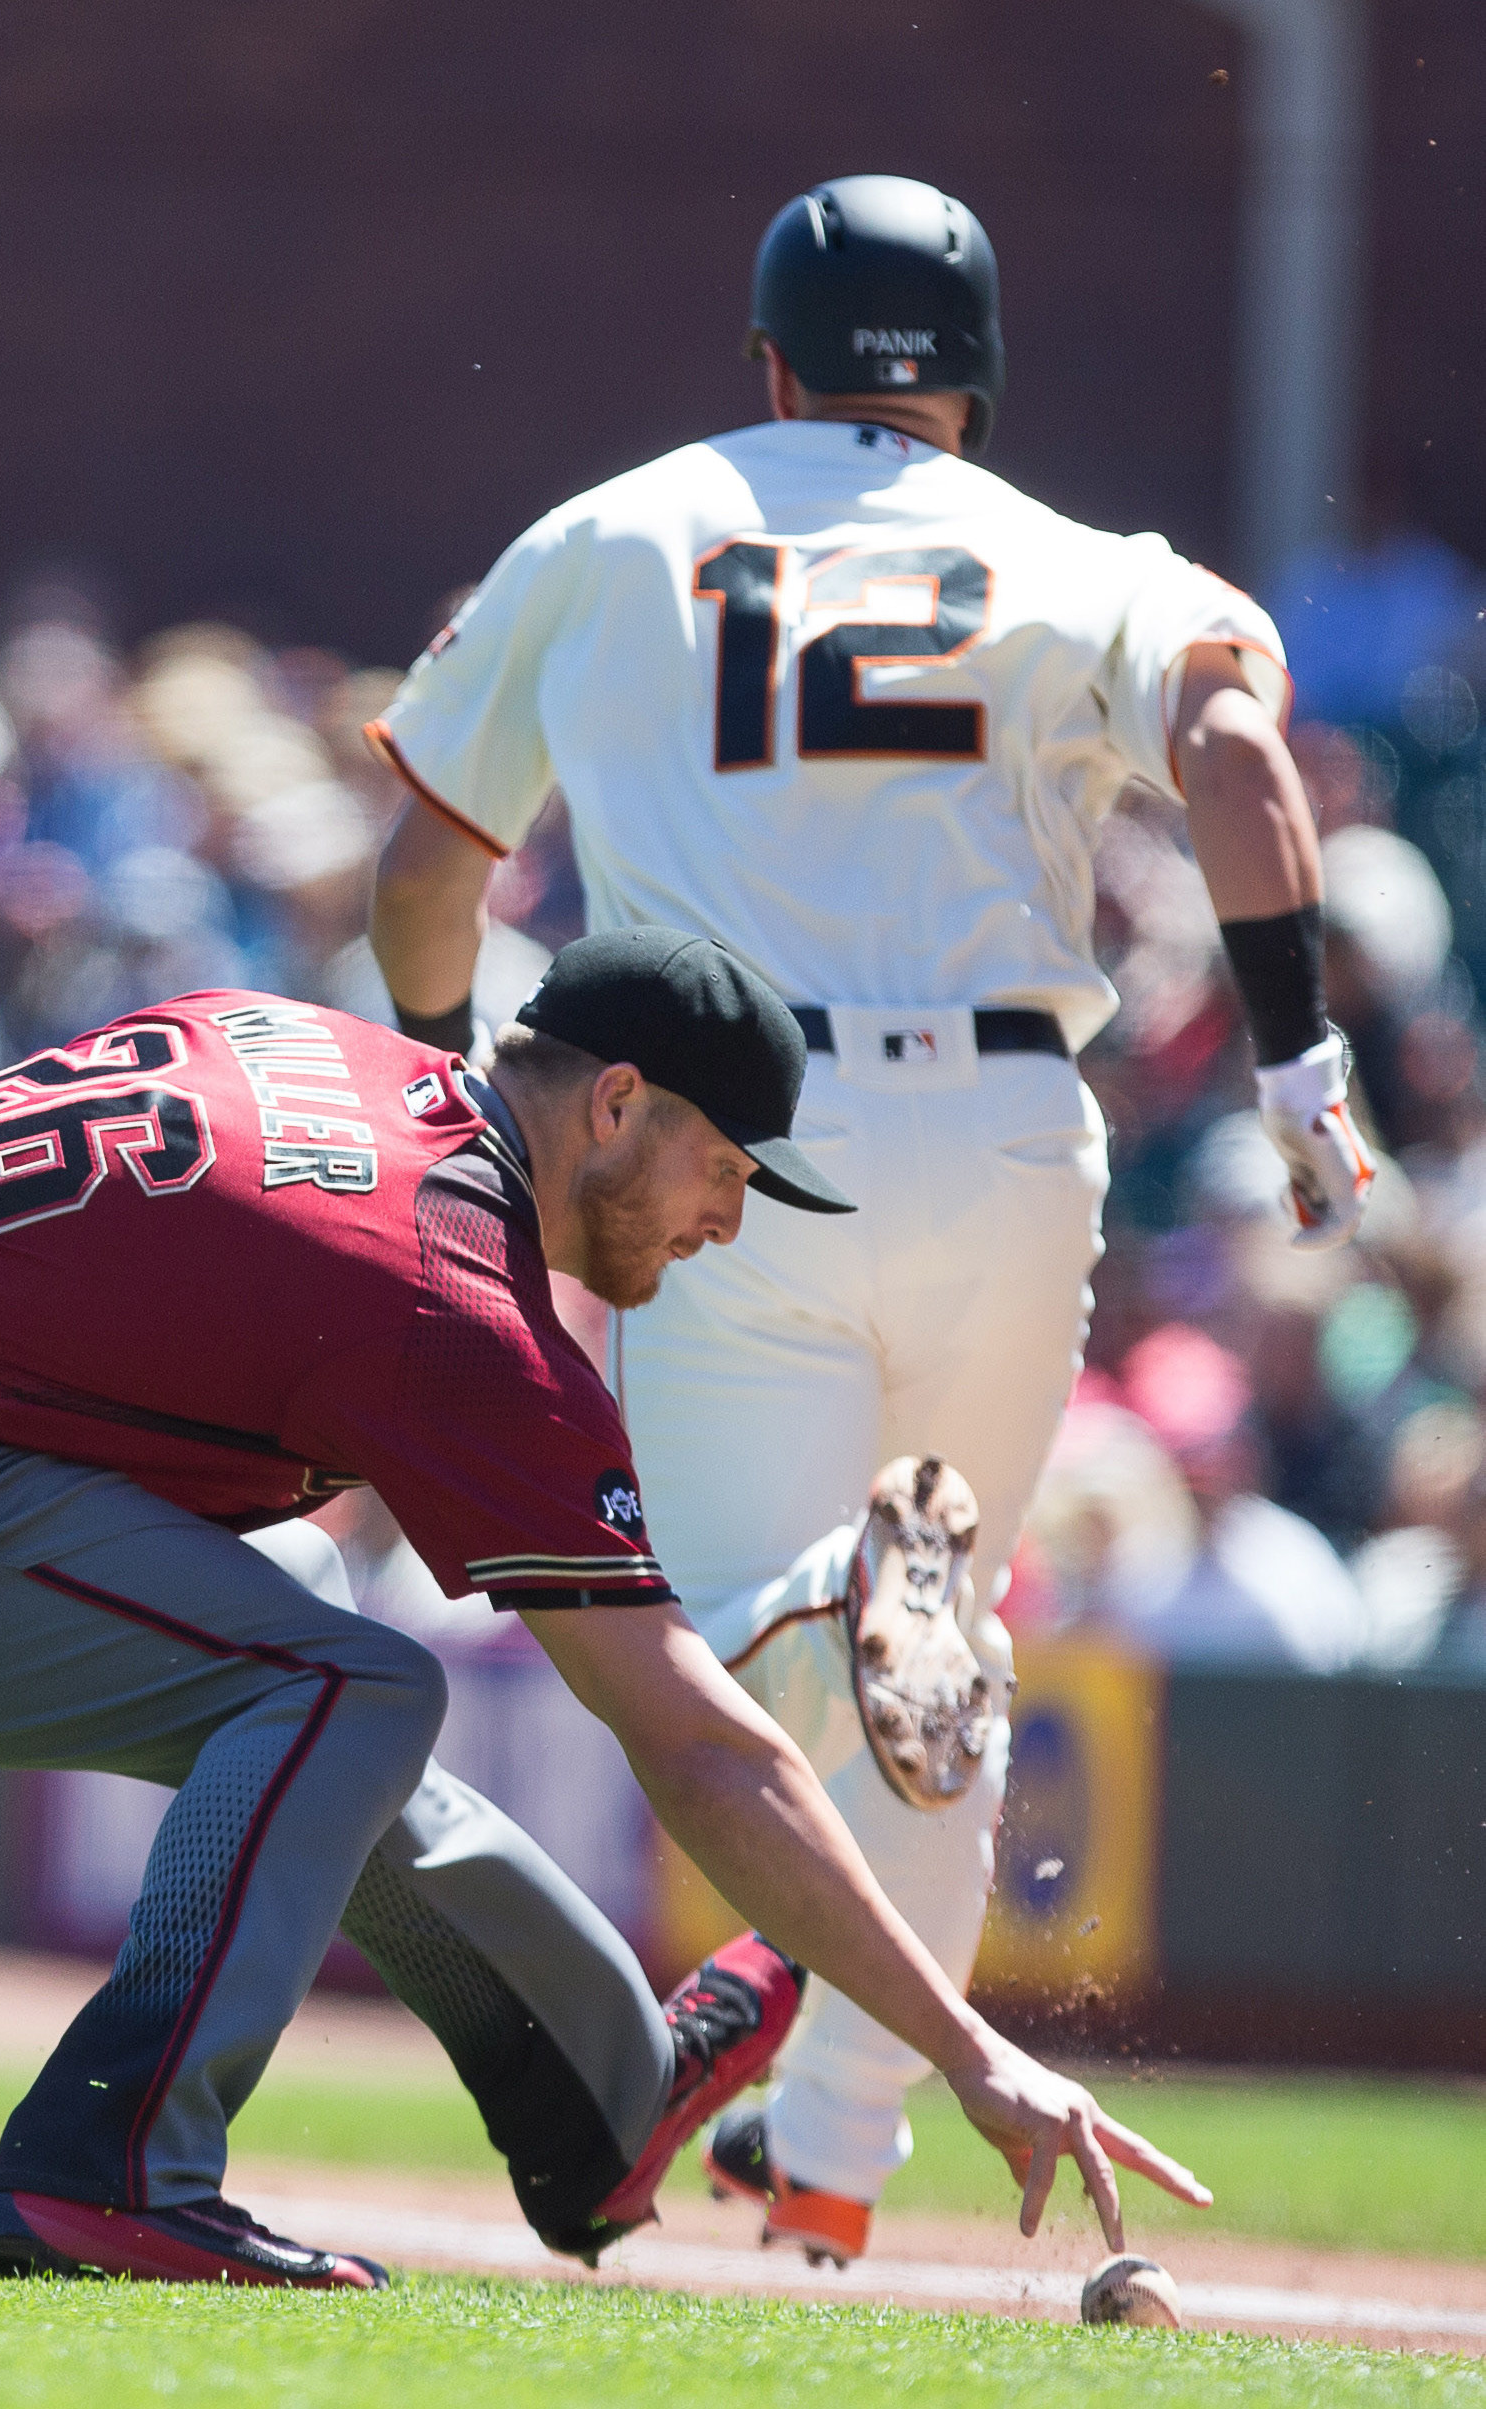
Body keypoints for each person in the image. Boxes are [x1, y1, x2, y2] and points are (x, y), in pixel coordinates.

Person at [0, 932, 1203, 2287]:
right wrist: (972, 2048)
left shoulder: (304, 1038)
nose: (725, 1220)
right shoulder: (449, 1291)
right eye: (724, 1169)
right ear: (617, 1101)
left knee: (309, 1663)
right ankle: (107, 2160)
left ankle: (600, 2094)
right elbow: (698, 1750)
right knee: (342, 1688)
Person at [362, 175, 1358, 2268]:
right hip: (1010, 1125)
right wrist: (1296, 1067)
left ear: (769, 358)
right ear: (975, 380)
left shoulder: (618, 522)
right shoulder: (1080, 556)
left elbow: (427, 867)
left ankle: (817, 1604)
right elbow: (1245, 751)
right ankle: (829, 2168)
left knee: (737, 1648)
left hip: (722, 1138)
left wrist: (442, 1071)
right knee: (952, 1674)